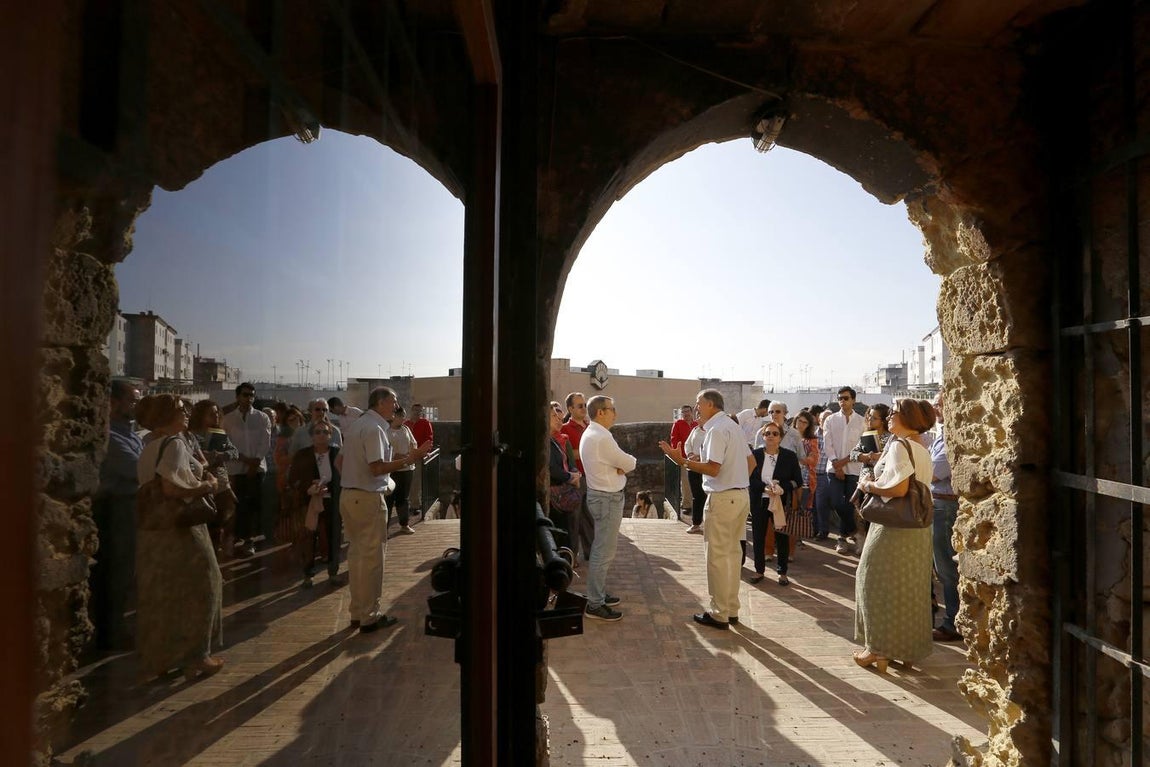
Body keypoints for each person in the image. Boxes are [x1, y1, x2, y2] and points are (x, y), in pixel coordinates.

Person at [133, 394, 223, 681]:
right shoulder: (175, 444)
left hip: (153, 529)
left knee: (163, 592)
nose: (186, 413)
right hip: (181, 527)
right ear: (166, 415)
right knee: (205, 585)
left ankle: (162, 658)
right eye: (181, 410)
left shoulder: (149, 445)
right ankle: (197, 656)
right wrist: (207, 486)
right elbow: (171, 488)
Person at [852, 397, 937, 672]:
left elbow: (898, 489)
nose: (889, 415)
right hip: (918, 527)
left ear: (908, 417)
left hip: (893, 525)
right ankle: (904, 649)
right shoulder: (920, 446)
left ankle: (877, 649)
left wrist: (868, 486)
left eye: (895, 412)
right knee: (909, 587)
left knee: (871, 580)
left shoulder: (900, 445)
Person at [660, 388, 754, 630]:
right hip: (740, 497)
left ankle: (720, 613)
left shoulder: (716, 429)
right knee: (732, 556)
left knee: (717, 558)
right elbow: (751, 462)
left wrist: (682, 461)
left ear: (711, 404)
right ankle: (730, 609)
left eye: (698, 403)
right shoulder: (732, 426)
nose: (696, 408)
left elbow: (713, 468)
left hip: (723, 499)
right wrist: (736, 480)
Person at [340, 386, 431, 633]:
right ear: (380, 403)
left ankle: (358, 613)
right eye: (393, 401)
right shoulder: (375, 428)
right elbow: (377, 468)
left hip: (349, 496)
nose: (396, 406)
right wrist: (410, 458)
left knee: (357, 557)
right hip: (367, 499)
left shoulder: (357, 426)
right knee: (372, 560)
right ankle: (369, 616)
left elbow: (340, 462)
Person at [90, 380, 143, 650]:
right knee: (115, 571)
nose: (136, 406)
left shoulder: (131, 434)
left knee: (127, 570)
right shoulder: (110, 436)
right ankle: (109, 633)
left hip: (131, 506)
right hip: (115, 508)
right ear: (113, 403)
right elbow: (139, 469)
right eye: (132, 400)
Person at [579, 395, 636, 622]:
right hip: (607, 499)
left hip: (601, 497)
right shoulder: (601, 437)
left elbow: (621, 463)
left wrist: (619, 467)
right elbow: (629, 462)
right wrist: (621, 467)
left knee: (602, 549)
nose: (615, 413)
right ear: (600, 412)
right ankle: (595, 603)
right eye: (612, 409)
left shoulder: (593, 433)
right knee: (603, 552)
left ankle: (598, 594)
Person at [748, 424, 804, 585]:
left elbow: (798, 481)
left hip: (780, 502)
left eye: (775, 433)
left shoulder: (789, 456)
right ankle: (759, 571)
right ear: (763, 436)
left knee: (782, 537)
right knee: (758, 536)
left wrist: (781, 488)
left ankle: (782, 573)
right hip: (759, 501)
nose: (771, 436)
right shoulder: (755, 455)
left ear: (780, 437)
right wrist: (764, 488)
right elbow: (749, 479)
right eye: (767, 433)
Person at [288, 421, 342, 588]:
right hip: (310, 502)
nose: (321, 435)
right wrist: (309, 488)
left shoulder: (337, 453)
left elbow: (344, 476)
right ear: (312, 436)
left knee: (334, 537)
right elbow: (293, 479)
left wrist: (329, 488)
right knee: (309, 538)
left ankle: (333, 573)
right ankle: (308, 575)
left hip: (332, 501)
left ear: (330, 435)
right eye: (318, 432)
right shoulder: (302, 455)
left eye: (325, 432)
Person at [221, 382, 272, 557]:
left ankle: (249, 540)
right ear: (237, 396)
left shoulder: (262, 417)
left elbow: (265, 443)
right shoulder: (228, 419)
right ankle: (235, 537)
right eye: (245, 394)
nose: (249, 398)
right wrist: (244, 459)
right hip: (235, 468)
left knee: (252, 505)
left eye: (252, 395)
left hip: (257, 469)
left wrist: (254, 463)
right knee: (236, 505)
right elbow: (225, 443)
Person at [929, 392, 962, 642]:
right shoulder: (941, 435)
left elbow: (932, 472)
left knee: (946, 568)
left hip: (945, 505)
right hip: (938, 504)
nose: (935, 408)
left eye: (939, 404)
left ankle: (953, 622)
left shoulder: (952, 436)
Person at [188, 399, 240, 552]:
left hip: (222, 484)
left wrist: (221, 455)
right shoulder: (191, 436)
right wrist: (204, 456)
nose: (216, 416)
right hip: (202, 485)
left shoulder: (220, 433)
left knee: (226, 516)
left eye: (217, 413)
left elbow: (234, 452)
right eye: (211, 414)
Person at [823, 387, 867, 555]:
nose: (842, 401)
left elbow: (861, 446)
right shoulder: (830, 420)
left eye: (846, 398)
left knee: (850, 505)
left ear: (853, 400)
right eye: (840, 398)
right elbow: (827, 444)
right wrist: (837, 464)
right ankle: (856, 532)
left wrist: (844, 462)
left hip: (854, 468)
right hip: (833, 468)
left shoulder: (862, 422)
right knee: (836, 502)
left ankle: (842, 538)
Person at [560, 391, 595, 560]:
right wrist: (587, 451)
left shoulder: (590, 427)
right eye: (580, 406)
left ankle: (591, 553)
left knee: (590, 518)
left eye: (585, 405)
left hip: (592, 478)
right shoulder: (565, 429)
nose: (584, 408)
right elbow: (567, 455)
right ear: (570, 409)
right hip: (577, 479)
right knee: (574, 519)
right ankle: (572, 555)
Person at [548, 403, 581, 551]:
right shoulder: (546, 442)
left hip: (562, 494)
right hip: (554, 496)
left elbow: (568, 461)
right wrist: (570, 477)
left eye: (559, 417)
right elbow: (552, 469)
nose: (558, 420)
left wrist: (574, 474)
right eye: (554, 416)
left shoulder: (554, 441)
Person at [386, 406, 418, 534]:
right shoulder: (386, 430)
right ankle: (384, 529)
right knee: (388, 499)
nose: (403, 418)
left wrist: (412, 454)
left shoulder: (405, 429)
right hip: (392, 469)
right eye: (401, 416)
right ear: (395, 416)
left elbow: (413, 443)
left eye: (404, 415)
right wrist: (399, 456)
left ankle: (404, 524)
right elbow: (387, 450)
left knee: (403, 498)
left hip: (407, 469)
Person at [669, 404, 697, 518]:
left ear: (691, 412)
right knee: (686, 482)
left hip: (697, 458)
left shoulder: (696, 424)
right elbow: (674, 440)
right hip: (684, 458)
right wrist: (679, 454)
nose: (686, 414)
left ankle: (697, 503)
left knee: (697, 481)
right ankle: (687, 505)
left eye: (687, 411)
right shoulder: (678, 424)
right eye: (684, 412)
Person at [812, 410, 833, 540]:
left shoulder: (833, 435)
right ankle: (813, 529)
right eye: (823, 419)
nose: (825, 421)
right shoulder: (813, 435)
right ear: (819, 420)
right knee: (811, 504)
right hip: (811, 474)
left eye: (828, 419)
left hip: (824, 474)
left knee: (821, 504)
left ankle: (823, 530)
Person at [683, 420, 707, 534]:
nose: (698, 419)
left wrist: (699, 457)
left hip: (705, 467)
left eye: (700, 416)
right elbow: (687, 444)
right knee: (697, 496)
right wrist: (690, 454)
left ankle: (707, 523)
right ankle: (696, 523)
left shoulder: (712, 431)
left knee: (706, 496)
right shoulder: (695, 430)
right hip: (693, 467)